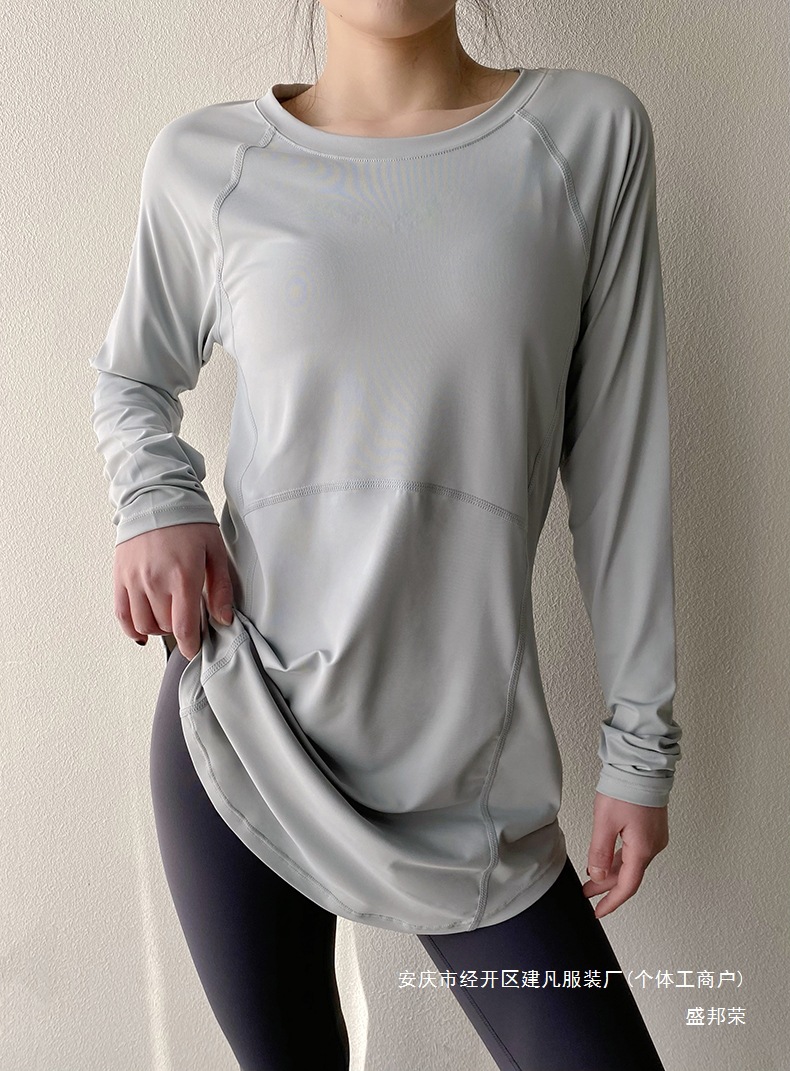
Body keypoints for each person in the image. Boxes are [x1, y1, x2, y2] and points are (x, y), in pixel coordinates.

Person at [89, 2, 683, 1068]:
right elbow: (133, 377)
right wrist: (157, 502)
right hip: (246, 722)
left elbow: (621, 465)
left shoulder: (585, 136)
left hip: (470, 773)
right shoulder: (207, 161)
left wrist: (640, 747)